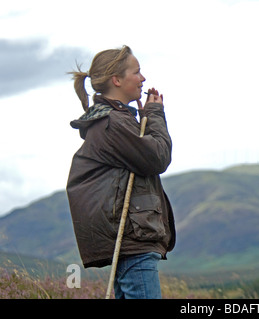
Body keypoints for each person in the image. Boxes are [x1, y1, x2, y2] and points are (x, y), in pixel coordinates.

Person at [66, 45, 176, 299]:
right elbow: (158, 157)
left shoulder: (117, 120)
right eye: (136, 72)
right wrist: (155, 114)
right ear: (117, 79)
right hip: (132, 238)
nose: (143, 79)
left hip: (130, 237)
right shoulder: (113, 123)